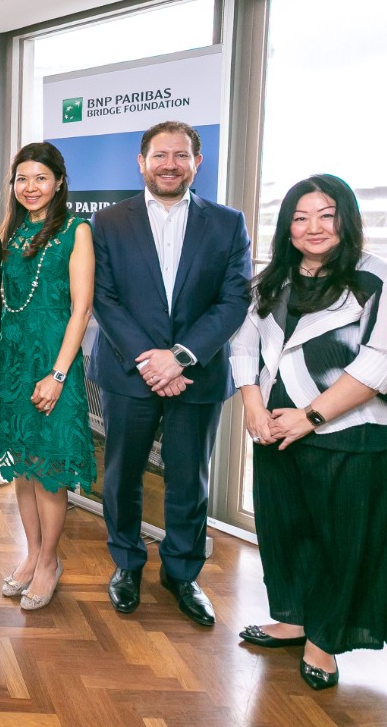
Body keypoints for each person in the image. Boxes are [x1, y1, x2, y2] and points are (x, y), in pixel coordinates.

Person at [231, 175, 387, 691]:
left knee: (342, 542)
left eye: (326, 215)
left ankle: (324, 639)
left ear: (346, 219)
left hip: (352, 437)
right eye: (300, 217)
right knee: (286, 532)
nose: (313, 227)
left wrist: (309, 416)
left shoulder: (379, 279)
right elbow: (244, 344)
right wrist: (252, 404)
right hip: (277, 431)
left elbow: (384, 362)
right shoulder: (271, 281)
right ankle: (293, 619)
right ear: (287, 228)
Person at [89, 120, 251, 626]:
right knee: (121, 478)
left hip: (196, 375)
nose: (169, 164)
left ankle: (182, 574)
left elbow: (234, 300)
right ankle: (127, 564)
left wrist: (179, 357)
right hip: (128, 372)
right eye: (160, 155)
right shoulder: (108, 222)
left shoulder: (227, 223)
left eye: (181, 155)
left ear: (196, 163)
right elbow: (103, 298)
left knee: (189, 481)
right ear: (141, 162)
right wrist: (150, 358)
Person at [0, 142, 95, 611]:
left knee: (49, 470)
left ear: (59, 182)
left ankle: (49, 562)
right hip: (12, 361)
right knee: (23, 467)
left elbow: (82, 309)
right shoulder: (7, 232)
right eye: (22, 179)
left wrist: (57, 374)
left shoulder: (76, 230)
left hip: (54, 361)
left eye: (41, 178)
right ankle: (31, 554)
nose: (30, 188)